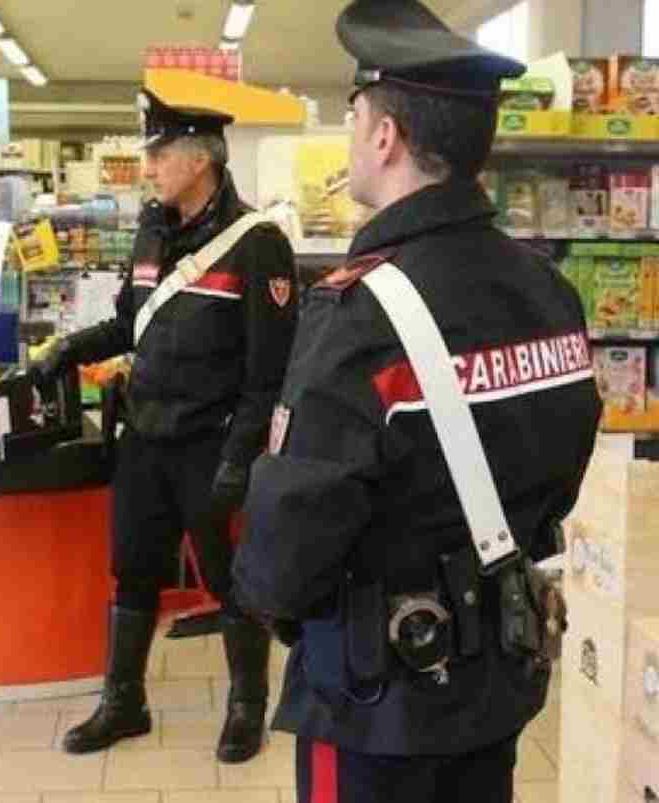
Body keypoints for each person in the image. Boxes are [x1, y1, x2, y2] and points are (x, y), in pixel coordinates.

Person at [231, 2, 603, 801]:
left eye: (353, 112)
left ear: (385, 136)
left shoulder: (357, 315)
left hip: (373, 699)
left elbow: (289, 543)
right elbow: (563, 469)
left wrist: (271, 603)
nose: (349, 129)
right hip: (496, 679)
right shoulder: (549, 290)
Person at [32, 87, 299, 763]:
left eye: (158, 152)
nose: (148, 167)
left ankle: (246, 707)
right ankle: (124, 703)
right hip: (145, 439)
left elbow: (270, 370)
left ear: (200, 157)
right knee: (134, 570)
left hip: (211, 446)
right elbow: (129, 321)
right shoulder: (152, 231)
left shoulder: (257, 244)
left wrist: (241, 458)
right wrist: (69, 347)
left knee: (230, 577)